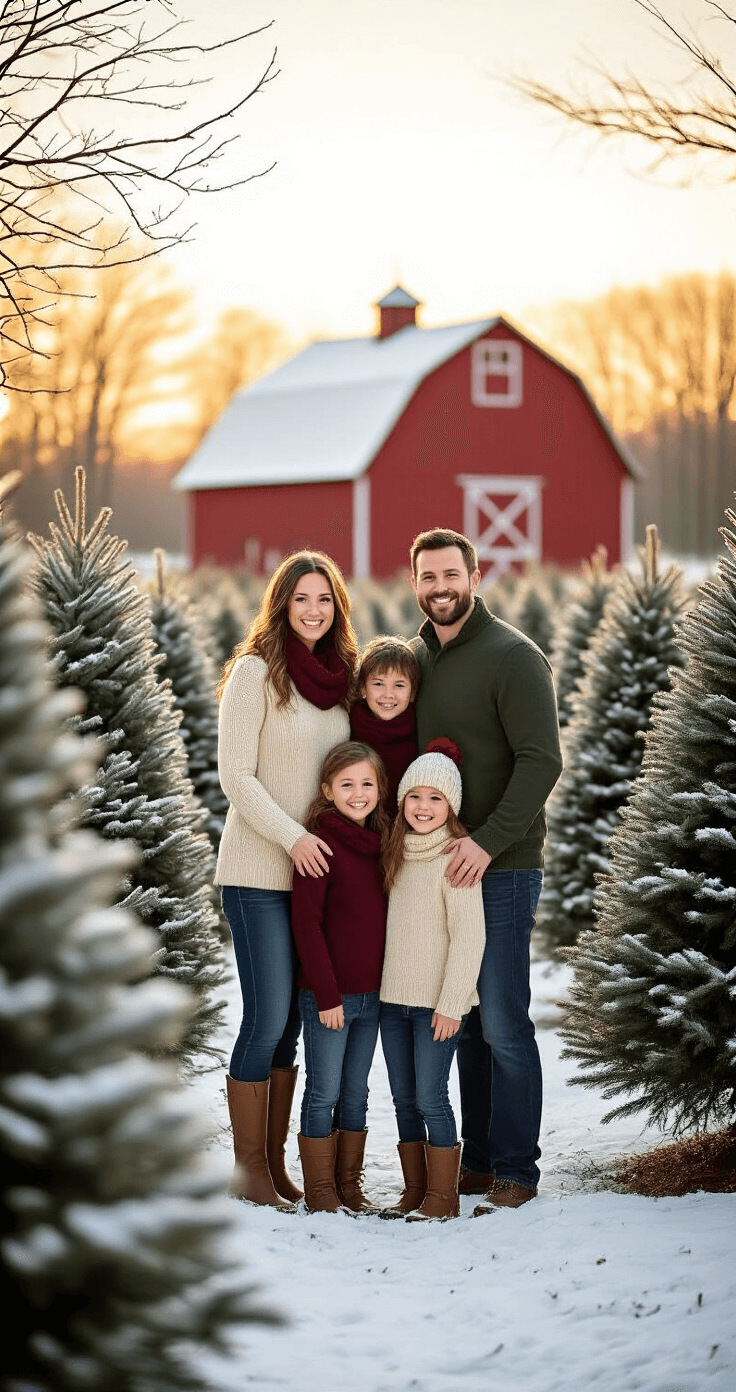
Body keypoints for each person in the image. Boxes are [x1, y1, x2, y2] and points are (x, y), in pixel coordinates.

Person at [409, 528, 563, 1212]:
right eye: (427, 576)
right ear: (413, 582)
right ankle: (475, 1162)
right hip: (441, 869)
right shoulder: (415, 660)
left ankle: (517, 1171)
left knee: (502, 1020)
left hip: (500, 867)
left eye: (451, 574)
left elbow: (541, 761)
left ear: (474, 575)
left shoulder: (514, 657)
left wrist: (489, 843)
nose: (440, 587)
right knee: (464, 1017)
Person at [215, 551, 357, 1210]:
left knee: (292, 1026)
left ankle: (274, 1166)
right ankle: (248, 1169)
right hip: (258, 869)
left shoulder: (341, 680)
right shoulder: (255, 673)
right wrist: (293, 837)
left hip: (316, 879)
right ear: (282, 603)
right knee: (266, 1014)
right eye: (301, 598)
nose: (313, 610)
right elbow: (236, 776)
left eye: (324, 599)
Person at [379, 741, 486, 1221]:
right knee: (403, 1098)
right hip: (390, 1001)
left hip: (437, 1006)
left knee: (430, 1095)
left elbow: (468, 940)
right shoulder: (392, 852)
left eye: (436, 798)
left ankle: (443, 1197)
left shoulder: (456, 859)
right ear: (402, 800)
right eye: (415, 796)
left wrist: (452, 1004)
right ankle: (415, 1190)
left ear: (452, 806)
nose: (424, 807)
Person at [291, 741, 390, 1214]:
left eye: (367, 784)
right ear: (327, 790)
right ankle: (321, 1191)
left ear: (380, 789)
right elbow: (306, 925)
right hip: (328, 997)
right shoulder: (319, 846)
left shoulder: (383, 846)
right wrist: (326, 995)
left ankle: (350, 1185)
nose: (358, 793)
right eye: (346, 784)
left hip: (373, 997)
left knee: (357, 1092)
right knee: (323, 1091)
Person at [349, 635, 420, 811]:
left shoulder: (419, 732)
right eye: (379, 684)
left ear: (412, 693)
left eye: (399, 685)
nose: (388, 694)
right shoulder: (347, 727)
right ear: (363, 688)